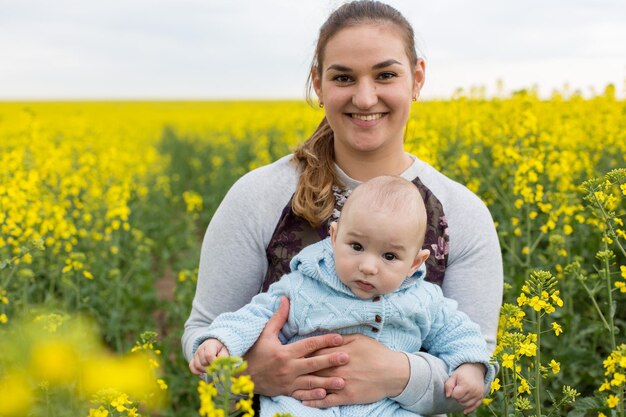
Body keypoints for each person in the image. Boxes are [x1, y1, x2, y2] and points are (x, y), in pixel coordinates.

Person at [182, 1, 503, 415]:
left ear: (417, 78)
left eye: (385, 75)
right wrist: (254, 372)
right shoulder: (259, 196)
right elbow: (204, 336)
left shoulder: (463, 214)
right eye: (343, 77)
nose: (365, 96)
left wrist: (398, 374)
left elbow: (471, 380)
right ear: (319, 84)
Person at [190, 176, 496, 417]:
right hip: (304, 405)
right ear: (335, 238)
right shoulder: (302, 286)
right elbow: (255, 316)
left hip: (385, 408)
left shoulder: (424, 299)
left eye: (389, 256)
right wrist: (221, 342)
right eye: (357, 247)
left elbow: (460, 333)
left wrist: (471, 367)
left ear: (416, 262)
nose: (368, 266)